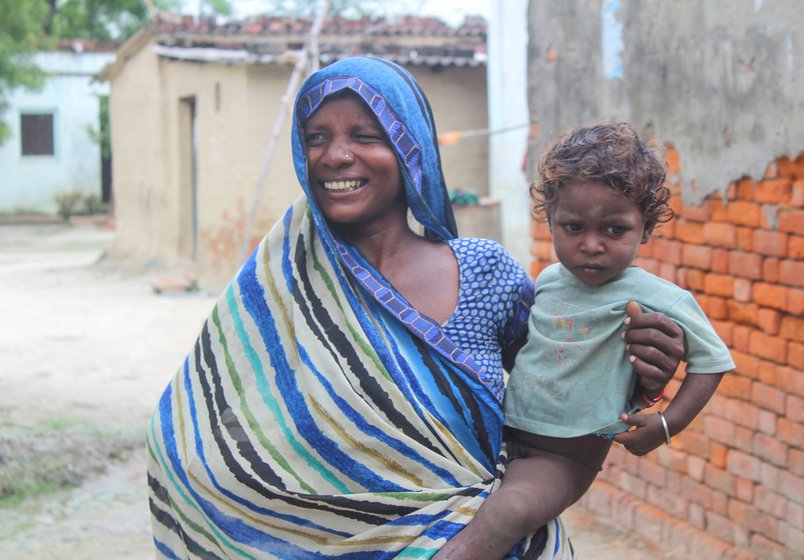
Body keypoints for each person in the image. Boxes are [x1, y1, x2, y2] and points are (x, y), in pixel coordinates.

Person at [146, 60, 685, 559]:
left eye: (365, 135)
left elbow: (564, 419)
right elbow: (194, 440)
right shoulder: (279, 285)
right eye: (316, 138)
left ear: (412, 146)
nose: (335, 155)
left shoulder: (484, 274)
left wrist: (632, 379)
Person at [435, 122, 735, 559]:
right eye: (573, 227)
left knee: (505, 516)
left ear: (646, 228)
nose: (591, 246)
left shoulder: (656, 296)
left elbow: (713, 361)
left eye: (614, 231)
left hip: (565, 455)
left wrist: (668, 423)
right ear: (550, 219)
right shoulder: (550, 280)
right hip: (505, 437)